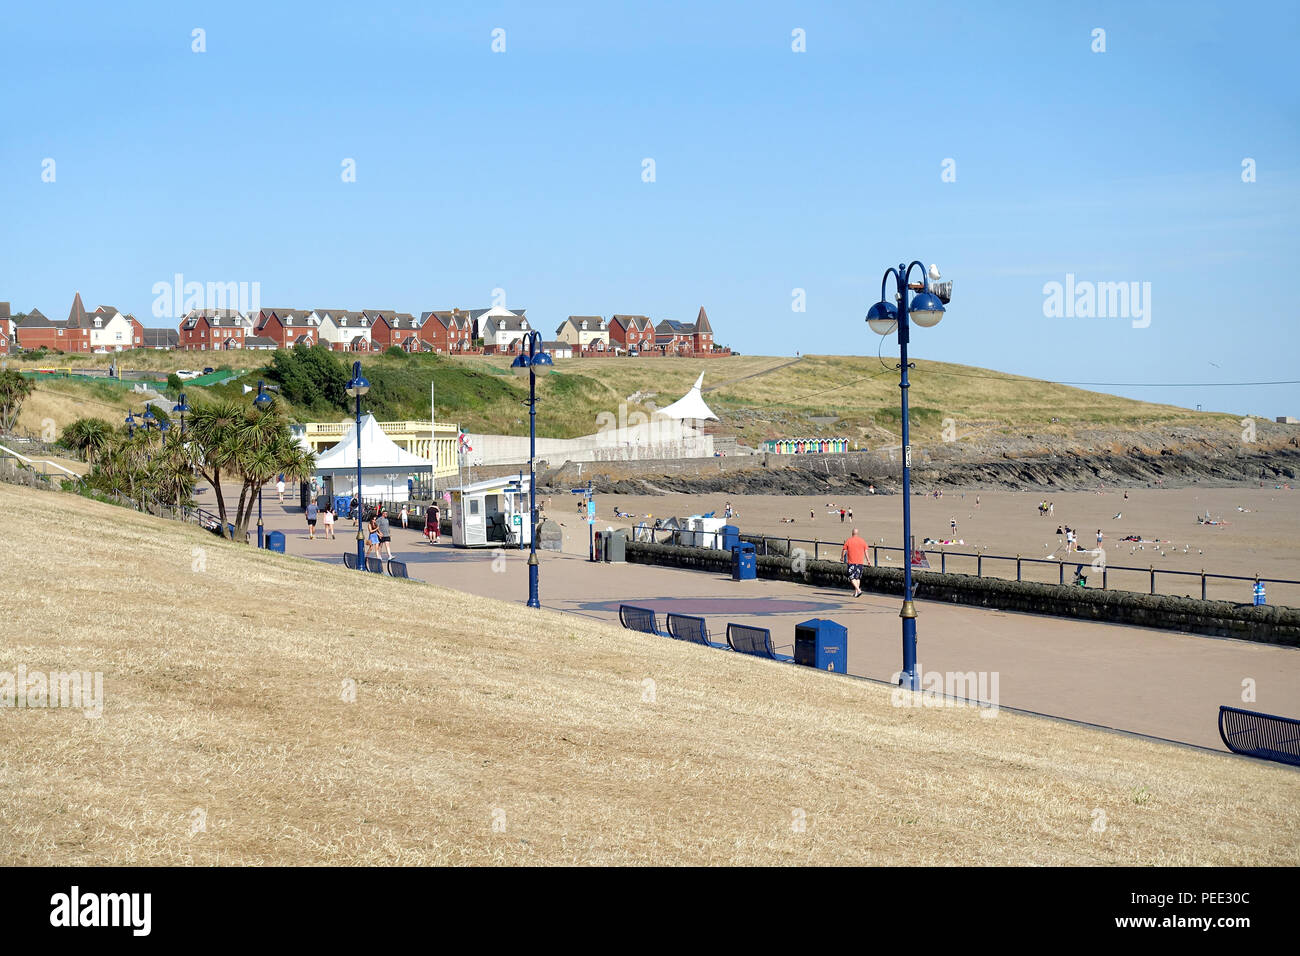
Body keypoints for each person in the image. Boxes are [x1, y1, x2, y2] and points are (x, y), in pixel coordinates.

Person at [841, 528, 871, 598]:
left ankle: (858, 590)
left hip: (851, 562)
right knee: (857, 578)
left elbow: (844, 550)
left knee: (851, 577)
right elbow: (866, 551)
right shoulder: (862, 541)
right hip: (860, 562)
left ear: (852, 533)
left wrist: (842, 558)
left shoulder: (849, 540)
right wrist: (868, 560)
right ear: (858, 533)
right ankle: (856, 593)